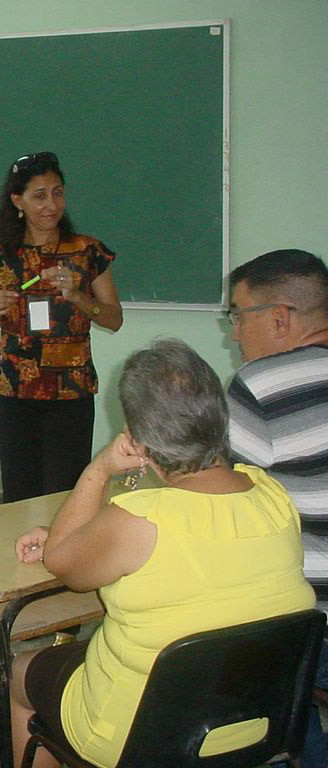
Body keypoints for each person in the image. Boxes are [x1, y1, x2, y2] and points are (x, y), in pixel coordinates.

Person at [10, 339, 313, 768]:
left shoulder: (137, 519)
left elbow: (62, 563)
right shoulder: (273, 496)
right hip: (255, 723)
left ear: (139, 437)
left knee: (23, 670)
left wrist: (99, 468)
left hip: (139, 738)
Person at [225, 249, 328, 768]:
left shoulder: (260, 385)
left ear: (280, 318)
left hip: (312, 617)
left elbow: (227, 510)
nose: (235, 333)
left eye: (238, 316)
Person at [0, 151, 123, 503]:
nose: (51, 204)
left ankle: (62, 557)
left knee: (66, 495)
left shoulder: (87, 252)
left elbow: (114, 320)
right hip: (12, 388)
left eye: (57, 193)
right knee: (17, 493)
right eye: (39, 195)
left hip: (70, 388)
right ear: (17, 201)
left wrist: (79, 297)